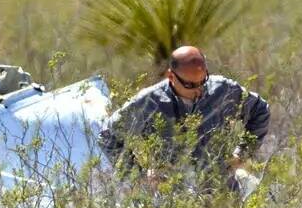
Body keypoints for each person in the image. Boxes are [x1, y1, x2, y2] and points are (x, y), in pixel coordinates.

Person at [99, 46, 270, 187]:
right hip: (172, 201)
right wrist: (138, 176)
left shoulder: (223, 90)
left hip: (222, 193)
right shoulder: (148, 102)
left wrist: (242, 153)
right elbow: (109, 136)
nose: (198, 90)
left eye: (203, 82)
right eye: (189, 84)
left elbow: (260, 110)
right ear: (171, 76)